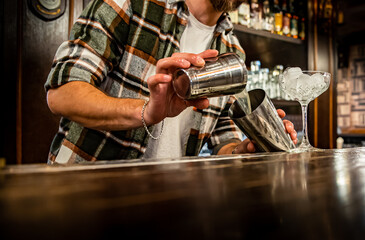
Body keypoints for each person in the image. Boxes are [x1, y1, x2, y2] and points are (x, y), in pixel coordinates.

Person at [45, 0, 297, 164]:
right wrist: (146, 111)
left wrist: (242, 150)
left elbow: (223, 140)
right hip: (87, 189)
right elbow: (61, 94)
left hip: (168, 198)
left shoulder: (232, 50)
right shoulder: (130, 4)